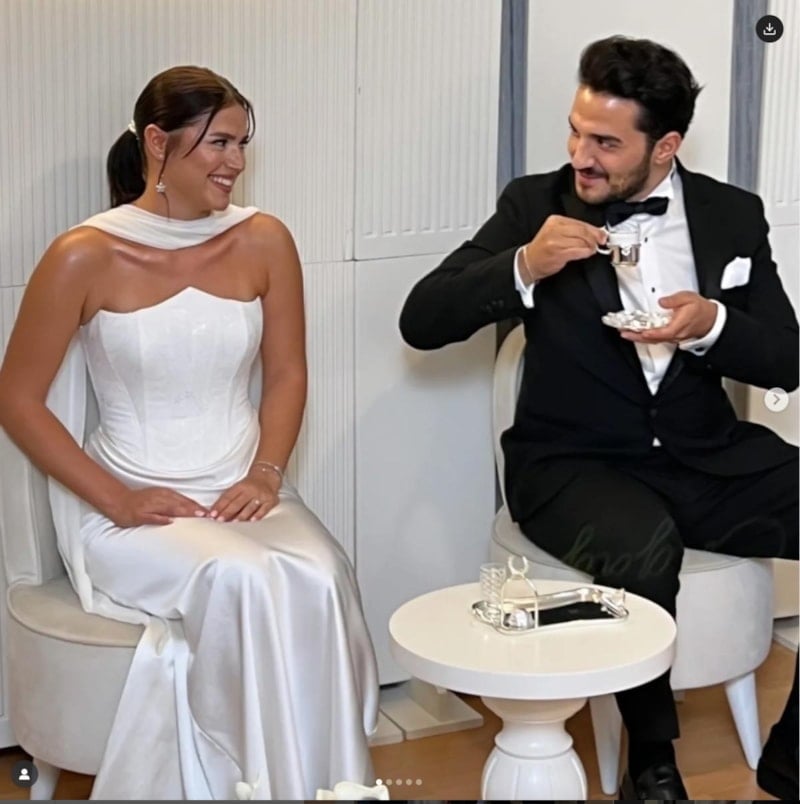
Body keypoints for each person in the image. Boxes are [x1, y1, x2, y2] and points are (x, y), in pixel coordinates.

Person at [399, 36, 798, 800]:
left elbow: (788, 357)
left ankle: (793, 761)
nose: (581, 156)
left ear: (665, 146)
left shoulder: (731, 214)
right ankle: (652, 765)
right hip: (571, 467)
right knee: (644, 547)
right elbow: (421, 320)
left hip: (704, 456)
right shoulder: (534, 204)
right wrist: (524, 264)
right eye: (576, 132)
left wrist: (712, 324)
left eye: (606, 143)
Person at [0, 65, 379, 800]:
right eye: (219, 143)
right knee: (238, 578)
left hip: (243, 487)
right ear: (157, 142)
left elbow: (288, 373)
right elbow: (17, 399)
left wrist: (266, 474)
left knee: (322, 574)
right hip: (134, 506)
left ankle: (322, 786)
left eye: (242, 143)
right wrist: (115, 498)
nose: (236, 162)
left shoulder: (264, 240)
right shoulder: (83, 254)